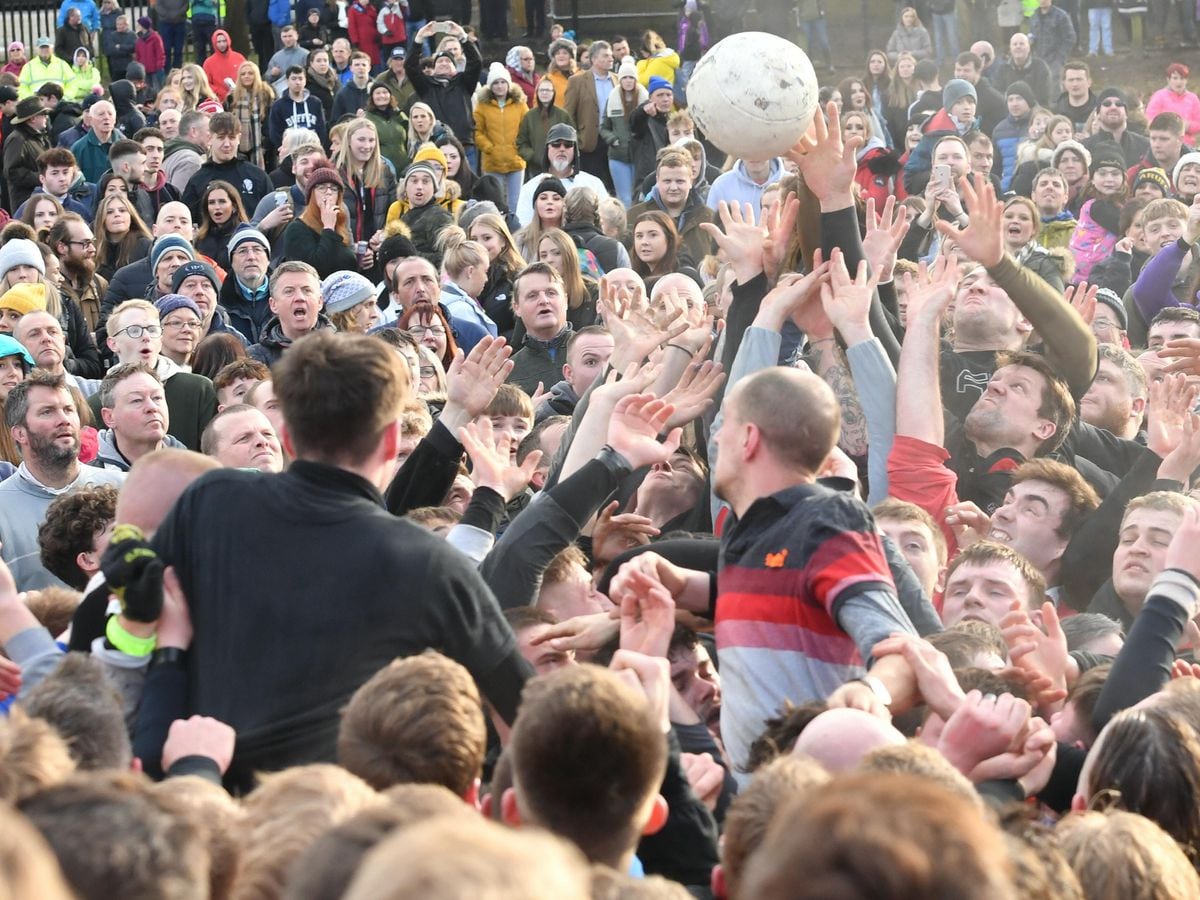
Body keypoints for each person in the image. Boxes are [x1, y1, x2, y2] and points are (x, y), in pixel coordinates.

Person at [142, 328, 533, 788]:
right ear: (391, 442)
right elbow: (528, 715)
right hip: (343, 831)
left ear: (285, 434)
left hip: (202, 800)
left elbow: (133, 611)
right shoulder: (427, 562)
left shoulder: (210, 500)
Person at [0, 371, 125, 590]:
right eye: (47, 412)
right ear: (20, 433)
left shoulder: (124, 488)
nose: (64, 420)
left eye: (69, 410)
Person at [405, 21, 483, 168]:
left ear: (455, 67)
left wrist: (462, 36)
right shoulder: (426, 85)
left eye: (448, 61)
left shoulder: (464, 83)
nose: (443, 63)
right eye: (439, 61)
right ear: (433, 69)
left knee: (467, 187)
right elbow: (410, 66)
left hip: (464, 144)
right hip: (435, 145)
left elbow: (476, 62)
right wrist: (419, 39)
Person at [181, 112, 274, 218]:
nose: (226, 144)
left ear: (239, 138)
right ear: (210, 138)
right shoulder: (198, 181)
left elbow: (272, 214)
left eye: (232, 138)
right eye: (221, 138)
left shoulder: (257, 176)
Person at [277, 160, 358, 279]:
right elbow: (316, 268)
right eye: (322, 188)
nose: (329, 192)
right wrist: (328, 228)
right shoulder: (297, 228)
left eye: (334, 189)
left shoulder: (340, 224)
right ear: (311, 194)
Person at [474, 63, 527, 210]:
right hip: (493, 162)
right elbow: (477, 131)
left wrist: (519, 147)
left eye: (503, 82)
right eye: (496, 83)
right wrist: (489, 147)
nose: (500, 86)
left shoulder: (520, 104)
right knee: (495, 203)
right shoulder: (482, 106)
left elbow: (526, 128)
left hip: (515, 160)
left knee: (515, 203)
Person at [517, 78, 574, 179]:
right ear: (537, 92)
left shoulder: (563, 115)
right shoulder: (529, 116)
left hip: (560, 168)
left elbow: (573, 140)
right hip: (535, 169)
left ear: (553, 93)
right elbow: (521, 142)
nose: (544, 93)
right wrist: (533, 156)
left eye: (548, 90)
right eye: (541, 90)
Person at [3, 98, 53, 212]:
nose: (46, 117)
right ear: (33, 119)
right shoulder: (17, 139)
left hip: (40, 198)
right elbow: (12, 171)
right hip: (25, 202)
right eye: (43, 114)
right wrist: (42, 178)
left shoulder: (40, 137)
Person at [226, 62, 276, 171]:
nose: (247, 76)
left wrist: (266, 144)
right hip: (239, 148)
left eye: (250, 73)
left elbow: (271, 121)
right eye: (243, 74)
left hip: (263, 146)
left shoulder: (266, 93)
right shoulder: (232, 97)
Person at [193, 180, 247, 272]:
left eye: (222, 202)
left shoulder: (244, 236)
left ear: (234, 206)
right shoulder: (200, 238)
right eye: (211, 203)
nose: (217, 207)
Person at [1146, 63, 1200, 145]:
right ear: (1168, 79)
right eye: (1175, 78)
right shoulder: (1159, 96)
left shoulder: (1193, 98)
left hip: (1188, 145)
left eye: (1182, 78)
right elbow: (1150, 120)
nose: (1179, 82)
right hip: (1164, 144)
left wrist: (1186, 126)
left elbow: (1198, 123)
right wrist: (1171, 127)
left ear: (1186, 80)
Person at [1028, 0, 1076, 83]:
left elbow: (1070, 38)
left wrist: (1060, 57)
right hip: (1038, 60)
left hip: (1055, 61)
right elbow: (1032, 35)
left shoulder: (1061, 16)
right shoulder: (1034, 16)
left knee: (1054, 89)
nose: (1042, 1)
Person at [201, 30, 246, 106]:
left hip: (240, 98)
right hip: (219, 100)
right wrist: (221, 92)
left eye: (224, 41)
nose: (222, 44)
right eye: (219, 42)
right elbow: (206, 83)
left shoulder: (239, 58)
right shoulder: (208, 63)